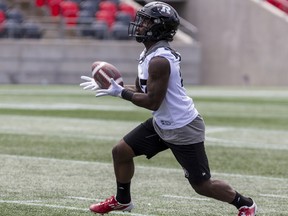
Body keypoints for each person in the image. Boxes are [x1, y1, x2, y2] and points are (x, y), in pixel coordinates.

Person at [80, 1, 257, 215]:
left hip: (182, 127)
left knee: (202, 185)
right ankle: (122, 200)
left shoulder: (160, 60)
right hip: (163, 122)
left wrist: (119, 93)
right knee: (121, 151)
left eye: (146, 21)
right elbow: (140, 88)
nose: (140, 24)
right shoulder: (149, 54)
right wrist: (111, 85)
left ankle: (244, 204)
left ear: (158, 27)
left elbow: (151, 101)